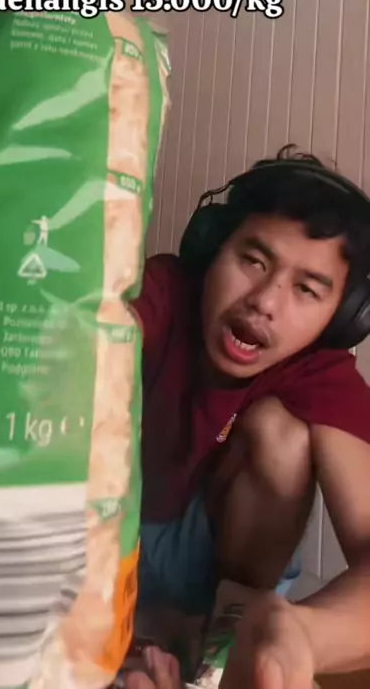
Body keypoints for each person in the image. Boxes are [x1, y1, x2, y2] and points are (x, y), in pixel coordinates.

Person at [125, 146, 370, 688]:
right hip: (115, 536)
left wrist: (302, 633)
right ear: (213, 248)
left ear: (341, 317)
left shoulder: (321, 374)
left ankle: (216, 647)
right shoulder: (165, 290)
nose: (265, 301)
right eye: (254, 261)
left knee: (283, 435)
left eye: (306, 289)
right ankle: (147, 627)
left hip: (214, 578)